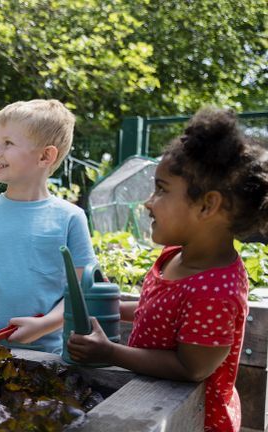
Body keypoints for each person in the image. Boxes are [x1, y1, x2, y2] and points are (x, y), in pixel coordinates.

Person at [67, 108, 268, 432]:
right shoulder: (176, 256)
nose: (148, 202)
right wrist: (115, 309)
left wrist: (110, 352)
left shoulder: (216, 291)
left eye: (161, 189)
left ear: (207, 205)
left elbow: (190, 368)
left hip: (189, 419)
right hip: (151, 404)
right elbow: (158, 310)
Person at [0, 100, 96, 353]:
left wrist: (46, 324)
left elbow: (83, 290)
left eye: (8, 143)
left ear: (45, 156)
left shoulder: (70, 218)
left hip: (49, 357)